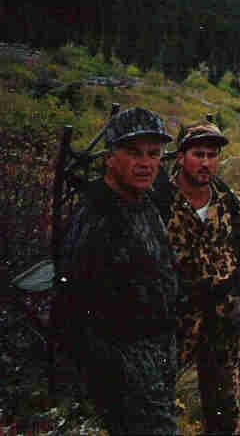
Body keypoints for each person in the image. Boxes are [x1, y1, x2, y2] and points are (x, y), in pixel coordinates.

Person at [59, 107, 179, 435]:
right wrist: (111, 375)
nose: (146, 162)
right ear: (110, 157)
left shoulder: (146, 203)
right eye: (134, 152)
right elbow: (77, 309)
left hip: (157, 360)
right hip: (124, 372)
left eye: (154, 154)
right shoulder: (98, 217)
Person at [155, 121, 240, 435]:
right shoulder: (159, 203)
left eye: (212, 155)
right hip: (173, 317)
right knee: (157, 397)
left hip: (222, 316)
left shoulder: (230, 204)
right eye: (198, 153)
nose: (205, 162)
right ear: (181, 157)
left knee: (222, 406)